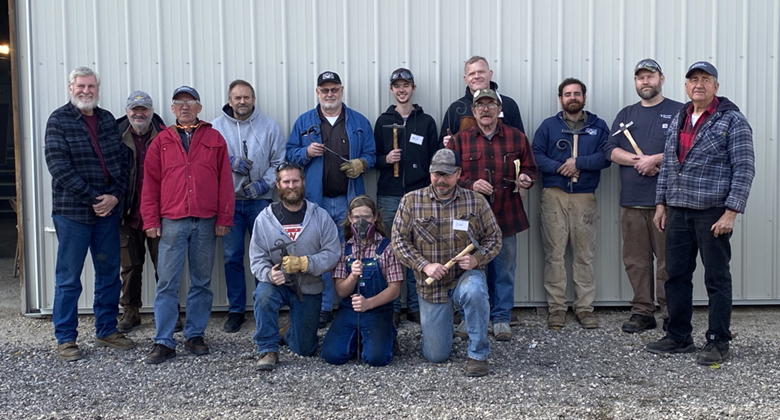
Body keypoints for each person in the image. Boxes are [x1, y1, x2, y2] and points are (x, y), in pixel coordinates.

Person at [646, 61, 755, 365]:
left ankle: (718, 340)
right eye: (693, 79)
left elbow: (744, 169)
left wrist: (732, 212)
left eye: (705, 79)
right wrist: (661, 204)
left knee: (717, 279)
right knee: (676, 276)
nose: (699, 84)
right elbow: (668, 164)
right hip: (678, 211)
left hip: (712, 214)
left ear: (715, 87)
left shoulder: (732, 121)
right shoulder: (681, 117)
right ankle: (678, 337)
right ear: (685, 86)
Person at [44, 66, 135, 361]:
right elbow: (59, 167)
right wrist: (95, 198)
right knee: (69, 277)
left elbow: (123, 162)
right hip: (73, 212)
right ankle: (66, 338)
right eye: (81, 86)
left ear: (98, 89)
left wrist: (114, 196)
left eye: (91, 86)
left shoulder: (107, 119)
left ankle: (106, 329)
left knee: (109, 273)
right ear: (71, 88)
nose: (86, 91)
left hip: (107, 212)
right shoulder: (58, 120)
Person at [141, 86, 235, 364]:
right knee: (167, 282)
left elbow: (225, 182)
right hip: (172, 221)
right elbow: (150, 184)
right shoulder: (161, 141)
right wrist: (150, 219)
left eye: (190, 103)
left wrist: (224, 218)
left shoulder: (214, 138)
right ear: (172, 109)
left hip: (206, 222)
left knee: (201, 282)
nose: (184, 107)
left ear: (199, 107)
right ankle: (164, 340)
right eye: (179, 103)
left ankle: (195, 335)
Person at [391, 148, 502, 377]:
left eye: (447, 175)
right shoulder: (411, 201)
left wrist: (477, 259)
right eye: (436, 174)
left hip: (464, 277)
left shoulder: (476, 201)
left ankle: (477, 354)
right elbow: (399, 241)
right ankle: (445, 326)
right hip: (432, 287)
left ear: (458, 173)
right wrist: (424, 265)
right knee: (436, 356)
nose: (441, 180)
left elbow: (494, 237)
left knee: (475, 290)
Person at [287, 71, 376, 328]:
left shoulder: (358, 121)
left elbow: (372, 154)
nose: (329, 94)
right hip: (318, 201)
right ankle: (324, 306)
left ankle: (354, 303)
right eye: (324, 90)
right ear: (317, 92)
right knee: (321, 254)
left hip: (349, 201)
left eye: (334, 89)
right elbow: (289, 153)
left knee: (355, 251)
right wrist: (305, 152)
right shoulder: (304, 122)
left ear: (341, 90)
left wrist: (362, 163)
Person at [447, 88, 536, 341]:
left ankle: (501, 319)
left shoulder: (516, 138)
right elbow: (447, 175)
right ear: (473, 112)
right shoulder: (460, 140)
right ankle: (468, 318)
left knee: (504, 269)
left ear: (499, 109)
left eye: (491, 105)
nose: (485, 110)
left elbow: (530, 168)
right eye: (480, 106)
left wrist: (526, 178)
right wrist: (471, 184)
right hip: (469, 219)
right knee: (469, 270)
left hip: (506, 215)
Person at [604, 59, 683, 334]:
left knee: (668, 262)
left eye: (650, 76)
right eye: (640, 78)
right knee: (636, 262)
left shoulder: (679, 111)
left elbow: (688, 148)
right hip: (632, 202)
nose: (645, 82)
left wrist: (655, 160)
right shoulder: (626, 114)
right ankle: (642, 312)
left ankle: (672, 313)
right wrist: (636, 160)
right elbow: (610, 149)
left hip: (668, 203)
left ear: (661, 78)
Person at [531, 78, 611, 329]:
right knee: (554, 254)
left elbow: (606, 155)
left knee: (583, 254)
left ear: (584, 97)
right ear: (561, 98)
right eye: (567, 94)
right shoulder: (548, 126)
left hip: (584, 197)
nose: (572, 97)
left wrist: (579, 163)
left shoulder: (598, 127)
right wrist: (560, 168)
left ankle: (585, 308)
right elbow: (535, 155)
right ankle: (557, 308)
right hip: (554, 195)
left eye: (577, 93)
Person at [250, 162, 340, 371]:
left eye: (295, 181)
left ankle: (289, 331)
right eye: (286, 182)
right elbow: (257, 258)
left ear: (303, 183)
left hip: (308, 285)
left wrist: (306, 263)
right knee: (263, 295)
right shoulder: (265, 219)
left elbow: (332, 253)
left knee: (304, 349)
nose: (291, 186)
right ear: (278, 185)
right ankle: (267, 349)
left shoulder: (320, 216)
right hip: (277, 283)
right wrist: (269, 274)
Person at [212, 79, 286, 333]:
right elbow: (207, 163)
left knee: (264, 256)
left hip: (260, 203)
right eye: (237, 97)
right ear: (230, 100)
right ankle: (235, 310)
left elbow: (279, 160)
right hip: (229, 203)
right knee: (232, 257)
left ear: (254, 99)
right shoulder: (216, 127)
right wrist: (228, 161)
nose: (242, 101)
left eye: (247, 97)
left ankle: (263, 305)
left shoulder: (269, 126)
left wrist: (265, 185)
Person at [373, 68, 439, 327]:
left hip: (419, 195)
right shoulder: (382, 121)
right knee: (389, 251)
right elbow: (372, 157)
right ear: (392, 90)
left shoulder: (426, 122)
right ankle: (391, 306)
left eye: (406, 85)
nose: (401, 90)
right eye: (397, 86)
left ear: (413, 88)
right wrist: (385, 159)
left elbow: (435, 157)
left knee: (417, 250)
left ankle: (415, 306)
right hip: (389, 195)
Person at [321, 195, 403, 366]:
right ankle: (359, 337)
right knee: (332, 356)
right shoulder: (344, 249)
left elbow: (395, 289)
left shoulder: (388, 248)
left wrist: (369, 303)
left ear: (375, 218)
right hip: (350, 311)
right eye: (357, 217)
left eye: (366, 217)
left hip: (378, 311)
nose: (361, 221)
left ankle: (386, 334)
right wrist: (352, 277)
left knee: (376, 359)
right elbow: (342, 291)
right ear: (350, 219)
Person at [115, 90, 170, 333]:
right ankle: (131, 310)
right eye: (134, 110)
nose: (139, 114)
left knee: (165, 266)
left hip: (160, 214)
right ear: (127, 111)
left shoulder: (166, 135)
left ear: (151, 111)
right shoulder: (116, 134)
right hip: (127, 212)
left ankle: (168, 312)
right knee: (130, 266)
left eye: (144, 109)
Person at [441, 56, 525, 146]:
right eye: (472, 74)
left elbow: (521, 143)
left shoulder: (508, 105)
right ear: (465, 79)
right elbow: (441, 150)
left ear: (490, 74)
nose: (476, 76)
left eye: (481, 72)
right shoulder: (455, 108)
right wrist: (446, 145)